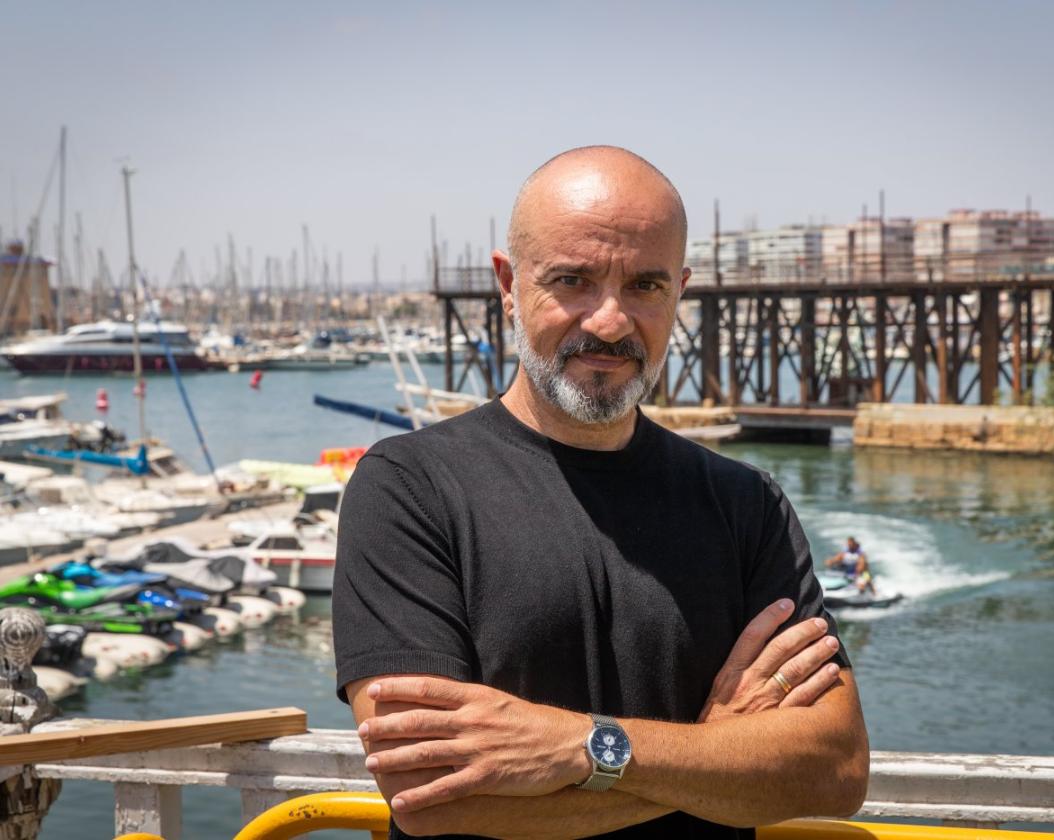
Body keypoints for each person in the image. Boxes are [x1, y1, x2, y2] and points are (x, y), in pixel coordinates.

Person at [333, 146, 869, 840]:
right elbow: (427, 789)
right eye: (573, 280)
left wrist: (582, 748)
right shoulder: (409, 489)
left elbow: (837, 769)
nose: (610, 321)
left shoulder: (746, 503)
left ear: (680, 290)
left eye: (645, 286)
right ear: (507, 283)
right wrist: (713, 754)